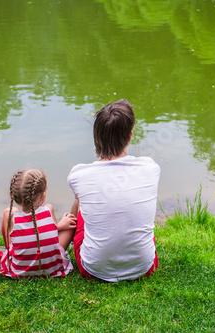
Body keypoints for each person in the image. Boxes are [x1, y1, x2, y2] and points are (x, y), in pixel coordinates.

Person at [68, 99, 160, 282]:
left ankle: (70, 245)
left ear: (96, 137)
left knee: (81, 203)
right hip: (144, 267)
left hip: (93, 269)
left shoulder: (79, 174)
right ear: (130, 135)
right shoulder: (151, 167)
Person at [0, 169, 76, 278]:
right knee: (70, 222)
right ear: (43, 196)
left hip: (20, 270)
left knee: (8, 212)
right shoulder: (49, 209)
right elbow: (48, 231)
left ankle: (12, 249)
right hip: (51, 268)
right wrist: (60, 226)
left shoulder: (11, 216)